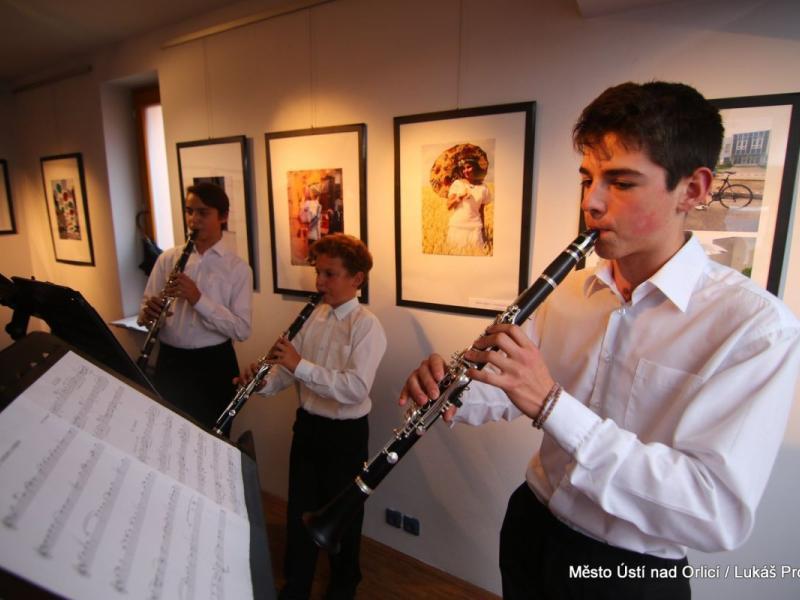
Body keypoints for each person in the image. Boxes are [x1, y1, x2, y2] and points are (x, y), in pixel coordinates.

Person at [399, 81, 800, 599]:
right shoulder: (570, 291)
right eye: (587, 178)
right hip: (532, 525)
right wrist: (452, 390)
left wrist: (552, 405)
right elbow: (508, 388)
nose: (591, 202)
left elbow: (714, 513)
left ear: (693, 190)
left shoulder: (754, 327)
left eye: (622, 182)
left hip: (629, 570)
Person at [239, 233, 386, 600]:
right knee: (299, 512)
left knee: (343, 518)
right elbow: (288, 374)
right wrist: (260, 383)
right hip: (308, 427)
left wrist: (299, 365)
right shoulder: (313, 317)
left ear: (356, 279)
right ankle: (296, 586)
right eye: (318, 273)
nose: (319, 283)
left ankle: (342, 588)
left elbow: (355, 389)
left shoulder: (366, 326)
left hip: (346, 435)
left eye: (329, 274)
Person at [138, 182, 252, 430]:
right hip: (170, 362)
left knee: (213, 436)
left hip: (214, 365)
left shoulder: (238, 268)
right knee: (168, 433)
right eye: (189, 211)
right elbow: (144, 312)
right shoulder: (168, 258)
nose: (193, 219)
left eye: (203, 212)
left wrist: (198, 299)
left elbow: (242, 329)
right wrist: (148, 315)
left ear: (223, 217)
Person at [446, 157, 492, 251]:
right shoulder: (457, 184)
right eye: (463, 168)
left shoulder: (483, 188)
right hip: (458, 227)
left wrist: (482, 229)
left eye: (468, 167)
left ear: (475, 167)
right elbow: (448, 206)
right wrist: (459, 198)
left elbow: (481, 211)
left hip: (475, 228)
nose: (465, 170)